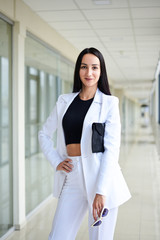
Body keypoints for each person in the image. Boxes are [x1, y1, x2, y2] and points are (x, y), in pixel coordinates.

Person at [38, 47, 131, 240]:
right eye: (84, 67)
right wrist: (56, 161)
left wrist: (101, 191)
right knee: (57, 236)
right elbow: (43, 134)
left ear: (101, 71)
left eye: (94, 67)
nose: (89, 73)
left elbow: (111, 151)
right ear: (78, 70)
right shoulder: (64, 101)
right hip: (72, 175)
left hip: (100, 178)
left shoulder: (109, 103)